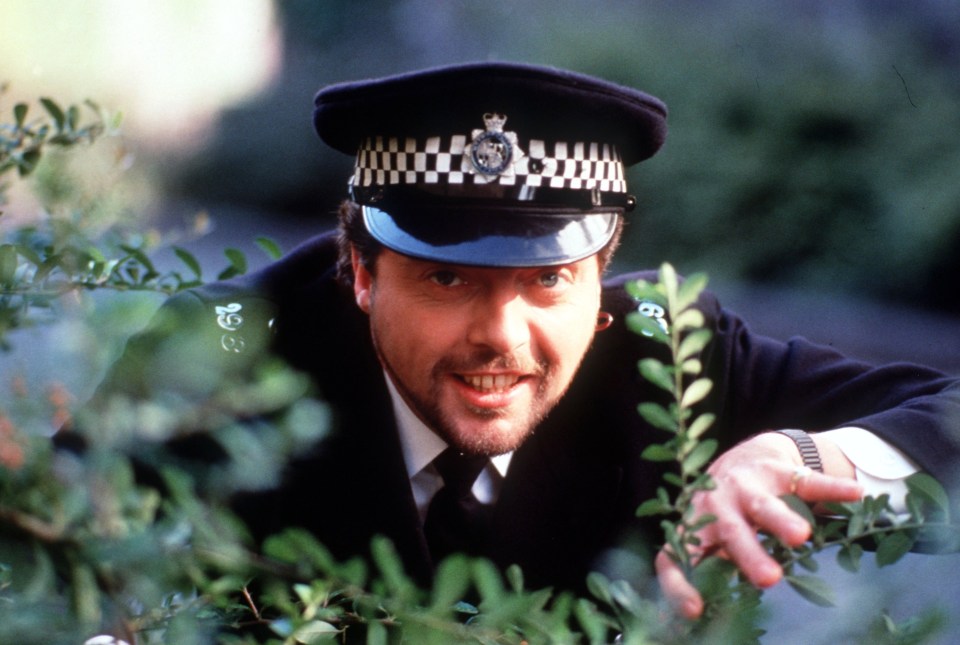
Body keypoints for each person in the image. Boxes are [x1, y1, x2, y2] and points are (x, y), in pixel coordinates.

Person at [79, 61, 960, 620]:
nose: (502, 336)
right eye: (447, 277)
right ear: (358, 270)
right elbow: (57, 551)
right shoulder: (230, 353)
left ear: (604, 268)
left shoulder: (668, 358)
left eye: (548, 279)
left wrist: (794, 455)